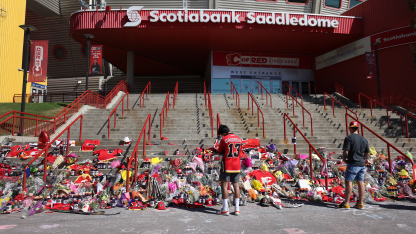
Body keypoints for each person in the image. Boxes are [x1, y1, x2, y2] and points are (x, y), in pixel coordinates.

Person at [337, 121, 370, 210]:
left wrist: (344, 159)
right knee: (360, 182)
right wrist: (363, 159)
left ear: (350, 128)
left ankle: (346, 203)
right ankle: (360, 203)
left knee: (349, 182)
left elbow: (345, 151)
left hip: (353, 163)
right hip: (361, 164)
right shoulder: (364, 139)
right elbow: (367, 152)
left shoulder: (348, 138)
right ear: (358, 128)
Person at [216, 124, 242, 216]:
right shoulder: (239, 139)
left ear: (223, 133)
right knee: (236, 186)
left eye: (221, 134)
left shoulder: (224, 139)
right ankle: (237, 209)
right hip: (237, 165)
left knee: (224, 186)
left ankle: (225, 208)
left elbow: (220, 151)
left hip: (227, 164)